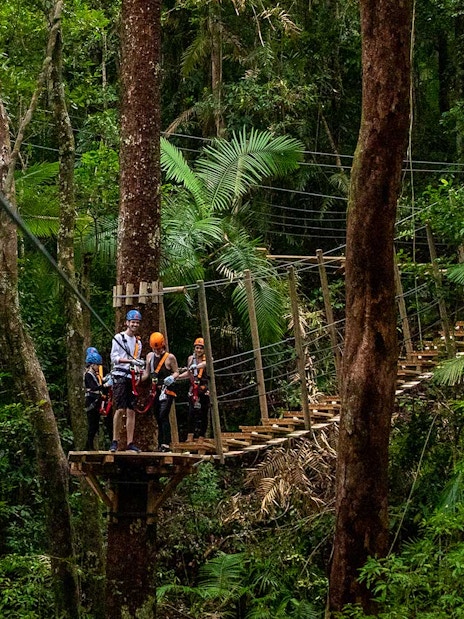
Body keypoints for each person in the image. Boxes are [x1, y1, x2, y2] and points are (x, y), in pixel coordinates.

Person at [109, 309, 144, 453]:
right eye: (132, 322)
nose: (135, 324)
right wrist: (130, 360)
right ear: (127, 323)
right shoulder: (118, 338)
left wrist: (138, 370)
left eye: (137, 322)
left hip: (132, 377)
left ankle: (130, 442)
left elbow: (136, 363)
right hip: (120, 375)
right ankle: (115, 441)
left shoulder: (138, 343)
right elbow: (114, 358)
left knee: (131, 410)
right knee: (119, 408)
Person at [142, 331, 180, 452]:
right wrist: (137, 379)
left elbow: (176, 372)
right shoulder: (149, 357)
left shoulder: (170, 357)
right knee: (157, 416)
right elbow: (147, 373)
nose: (157, 351)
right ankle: (160, 443)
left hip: (167, 390)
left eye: (159, 349)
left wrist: (172, 377)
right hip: (155, 390)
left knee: (164, 414)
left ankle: (166, 443)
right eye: (155, 349)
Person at [179, 337, 210, 441]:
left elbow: (206, 364)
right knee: (191, 412)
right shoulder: (191, 359)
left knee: (204, 412)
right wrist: (177, 377)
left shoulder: (208, 358)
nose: (199, 350)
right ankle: (190, 435)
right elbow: (189, 373)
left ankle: (201, 435)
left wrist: (196, 366)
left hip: (204, 387)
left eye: (201, 348)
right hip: (193, 387)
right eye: (197, 348)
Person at [84, 347, 112, 450]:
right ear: (92, 365)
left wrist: (106, 380)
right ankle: (88, 446)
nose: (98, 367)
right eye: (96, 365)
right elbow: (93, 387)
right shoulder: (88, 375)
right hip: (91, 403)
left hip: (96, 402)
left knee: (95, 426)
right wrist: (104, 386)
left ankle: (89, 446)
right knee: (92, 426)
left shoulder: (94, 375)